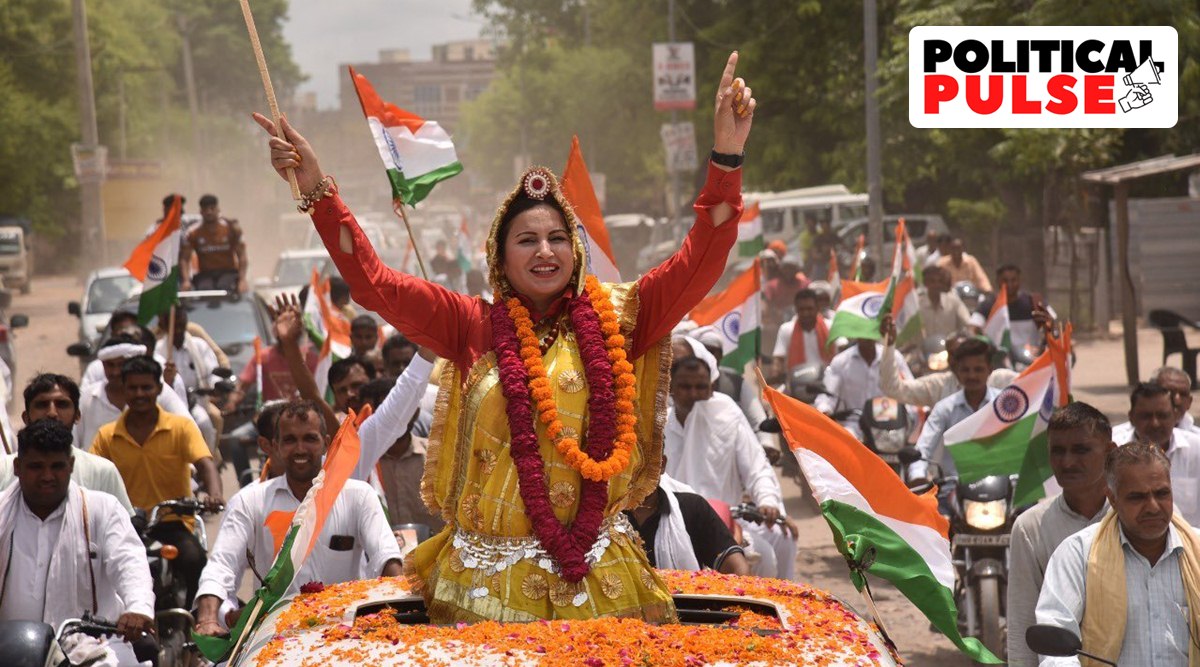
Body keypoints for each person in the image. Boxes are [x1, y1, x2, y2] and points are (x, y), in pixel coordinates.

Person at [253, 50, 756, 622]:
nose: (545, 251)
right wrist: (318, 190)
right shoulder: (470, 324)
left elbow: (704, 255)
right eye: (527, 240)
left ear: (576, 250)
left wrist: (726, 156)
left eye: (556, 238)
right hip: (484, 582)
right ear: (500, 254)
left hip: (599, 576)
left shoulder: (623, 318)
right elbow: (374, 284)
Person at [194, 400, 403, 635]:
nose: (300, 449)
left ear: (325, 443)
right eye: (290, 440)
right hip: (273, 635)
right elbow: (221, 566)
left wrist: (402, 606)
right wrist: (208, 619)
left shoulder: (358, 495)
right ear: (276, 445)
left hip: (347, 632)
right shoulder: (249, 501)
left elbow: (385, 555)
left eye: (310, 439)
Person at [0, 420, 156, 663]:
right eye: (36, 466)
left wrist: (137, 608)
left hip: (93, 647)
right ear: (17, 467)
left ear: (71, 465)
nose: (47, 476)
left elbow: (130, 563)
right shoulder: (1, 511)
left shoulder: (102, 508)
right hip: (10, 649)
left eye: (57, 466)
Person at [1034, 442, 1200, 666]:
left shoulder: (1196, 551)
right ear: (1112, 499)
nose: (1152, 506)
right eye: (1137, 497)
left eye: (1161, 493)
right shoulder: (1078, 555)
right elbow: (1056, 647)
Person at [91, 356, 223, 607]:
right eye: (133, 387)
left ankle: (195, 623)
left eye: (146, 387)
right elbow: (92, 474)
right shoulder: (106, 436)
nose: (139, 393)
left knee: (195, 560)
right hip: (126, 524)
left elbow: (206, 464)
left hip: (171, 521)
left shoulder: (180, 427)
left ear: (159, 388)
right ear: (123, 388)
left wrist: (214, 494)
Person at [664, 355, 797, 580]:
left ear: (712, 386)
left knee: (773, 548)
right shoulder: (661, 424)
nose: (694, 394)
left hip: (726, 522)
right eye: (685, 387)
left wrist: (767, 501)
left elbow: (756, 467)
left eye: (701, 387)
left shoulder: (727, 415)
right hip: (672, 523)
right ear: (671, 387)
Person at [1006, 402, 1114, 666]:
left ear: (1110, 453)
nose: (1067, 462)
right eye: (1058, 451)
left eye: (1081, 450)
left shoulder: (1137, 517)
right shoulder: (1030, 527)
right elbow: (1023, 623)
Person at [0, 375, 133, 513]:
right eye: (42, 405)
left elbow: (121, 528)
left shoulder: (102, 471)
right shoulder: (3, 470)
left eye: (62, 404)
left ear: (77, 415)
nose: (52, 413)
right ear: (26, 417)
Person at [354, 352, 442, 532]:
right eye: (383, 415)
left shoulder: (439, 456)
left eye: (404, 411)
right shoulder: (362, 462)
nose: (397, 421)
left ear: (416, 412)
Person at [907, 338, 997, 490]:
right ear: (957, 372)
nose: (972, 376)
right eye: (966, 370)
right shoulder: (944, 409)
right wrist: (918, 475)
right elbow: (923, 449)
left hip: (1000, 490)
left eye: (978, 369)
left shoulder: (1006, 406)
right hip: (954, 492)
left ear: (990, 369)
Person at [79, 335, 192, 452]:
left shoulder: (157, 393)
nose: (115, 372)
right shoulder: (87, 398)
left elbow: (189, 430)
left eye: (121, 364)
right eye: (110, 365)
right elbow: (72, 443)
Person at [878, 315, 1019, 408]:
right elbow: (894, 389)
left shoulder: (1001, 380)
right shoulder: (938, 388)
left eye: (977, 369)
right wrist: (889, 345)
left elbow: (1037, 383)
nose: (971, 376)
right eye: (953, 354)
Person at [625, 472, 750, 575]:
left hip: (683, 605)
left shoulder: (692, 507)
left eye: (647, 460)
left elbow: (737, 567)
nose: (639, 468)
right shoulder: (608, 515)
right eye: (632, 461)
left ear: (662, 464)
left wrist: (742, 598)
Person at [1111, 382, 1200, 525]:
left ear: (1175, 416)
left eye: (1162, 415)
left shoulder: (1197, 449)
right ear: (1131, 417)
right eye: (1146, 416)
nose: (1155, 423)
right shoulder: (1114, 452)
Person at [155, 306, 227, 454]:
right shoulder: (158, 351)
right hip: (167, 405)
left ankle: (210, 461)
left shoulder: (199, 346)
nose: (178, 331)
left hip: (196, 403)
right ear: (164, 327)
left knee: (206, 424)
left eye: (181, 326)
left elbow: (211, 371)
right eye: (174, 327)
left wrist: (216, 384)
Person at [815, 337, 912, 438]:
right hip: (853, 425)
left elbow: (909, 389)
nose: (867, 338)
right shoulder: (840, 362)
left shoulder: (893, 357)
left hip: (887, 424)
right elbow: (828, 394)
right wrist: (824, 409)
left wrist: (911, 413)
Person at [969, 264, 1053, 353]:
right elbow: (973, 328)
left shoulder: (1034, 302)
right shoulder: (988, 305)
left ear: (1020, 281)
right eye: (1005, 281)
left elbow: (1052, 324)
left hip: (1030, 359)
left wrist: (1048, 326)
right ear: (998, 281)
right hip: (999, 360)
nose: (1010, 284)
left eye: (1013, 280)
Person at [181, 193, 248, 293]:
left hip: (228, 274)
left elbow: (242, 256)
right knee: (204, 290)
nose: (209, 212)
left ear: (218, 210)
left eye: (212, 208)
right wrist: (186, 281)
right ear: (201, 212)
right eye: (206, 209)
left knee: (225, 286)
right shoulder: (192, 233)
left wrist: (242, 280)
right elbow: (184, 259)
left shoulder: (231, 229)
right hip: (205, 275)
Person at [772, 288, 833, 377]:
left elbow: (842, 348)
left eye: (809, 309)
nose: (805, 313)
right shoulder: (786, 329)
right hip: (796, 380)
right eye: (802, 309)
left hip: (826, 381)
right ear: (796, 309)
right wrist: (776, 370)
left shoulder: (830, 327)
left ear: (817, 308)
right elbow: (778, 358)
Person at [917, 264, 971, 340]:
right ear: (926, 283)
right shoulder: (917, 306)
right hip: (923, 350)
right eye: (932, 281)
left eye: (939, 281)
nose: (936, 285)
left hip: (948, 349)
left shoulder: (953, 302)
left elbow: (967, 323)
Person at [1149, 365, 1200, 436]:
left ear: (1189, 402)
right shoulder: (1129, 437)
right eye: (1169, 392)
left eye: (1183, 394)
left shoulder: (1197, 440)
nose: (1177, 401)